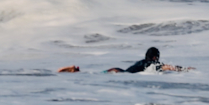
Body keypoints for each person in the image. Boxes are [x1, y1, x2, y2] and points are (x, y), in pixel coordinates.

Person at [58, 47, 191, 73]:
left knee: (96, 74)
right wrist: (184, 69)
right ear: (155, 57)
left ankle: (76, 71)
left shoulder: (142, 61)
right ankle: (75, 71)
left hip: (117, 70)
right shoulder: (153, 64)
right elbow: (167, 67)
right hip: (120, 73)